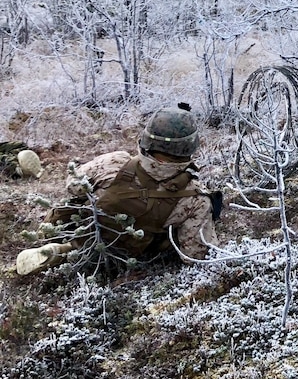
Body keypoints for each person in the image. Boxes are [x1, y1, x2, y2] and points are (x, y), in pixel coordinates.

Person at [16, 103, 221, 276]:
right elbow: (196, 255)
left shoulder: (116, 160)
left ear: (147, 138)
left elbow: (74, 185)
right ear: (190, 147)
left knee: (81, 206)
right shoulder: (194, 199)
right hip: (124, 260)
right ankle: (72, 251)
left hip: (84, 229)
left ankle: (64, 247)